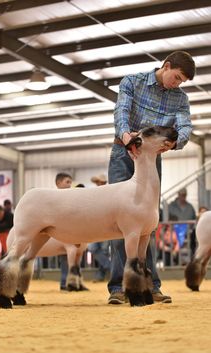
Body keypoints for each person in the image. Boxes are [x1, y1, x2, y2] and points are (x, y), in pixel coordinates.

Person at [107, 50, 196, 304]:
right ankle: (119, 288)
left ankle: (151, 285)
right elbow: (121, 112)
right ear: (166, 66)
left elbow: (185, 126)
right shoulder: (132, 82)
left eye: (182, 81)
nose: (177, 84)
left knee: (149, 223)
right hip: (123, 153)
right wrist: (126, 138)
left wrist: (176, 141)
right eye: (176, 77)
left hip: (151, 158)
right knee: (119, 223)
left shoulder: (180, 99)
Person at [88, 174, 111, 282]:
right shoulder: (95, 193)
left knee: (104, 250)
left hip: (106, 225)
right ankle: (110, 267)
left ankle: (101, 275)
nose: (98, 184)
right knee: (92, 248)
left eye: (100, 182)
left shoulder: (108, 193)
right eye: (97, 182)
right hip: (96, 226)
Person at [55, 172, 73, 290]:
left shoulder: (70, 196)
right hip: (56, 231)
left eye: (70, 182)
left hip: (66, 230)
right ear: (58, 183)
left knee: (67, 257)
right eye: (67, 182)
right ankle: (65, 282)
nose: (70, 185)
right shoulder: (54, 197)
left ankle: (65, 282)